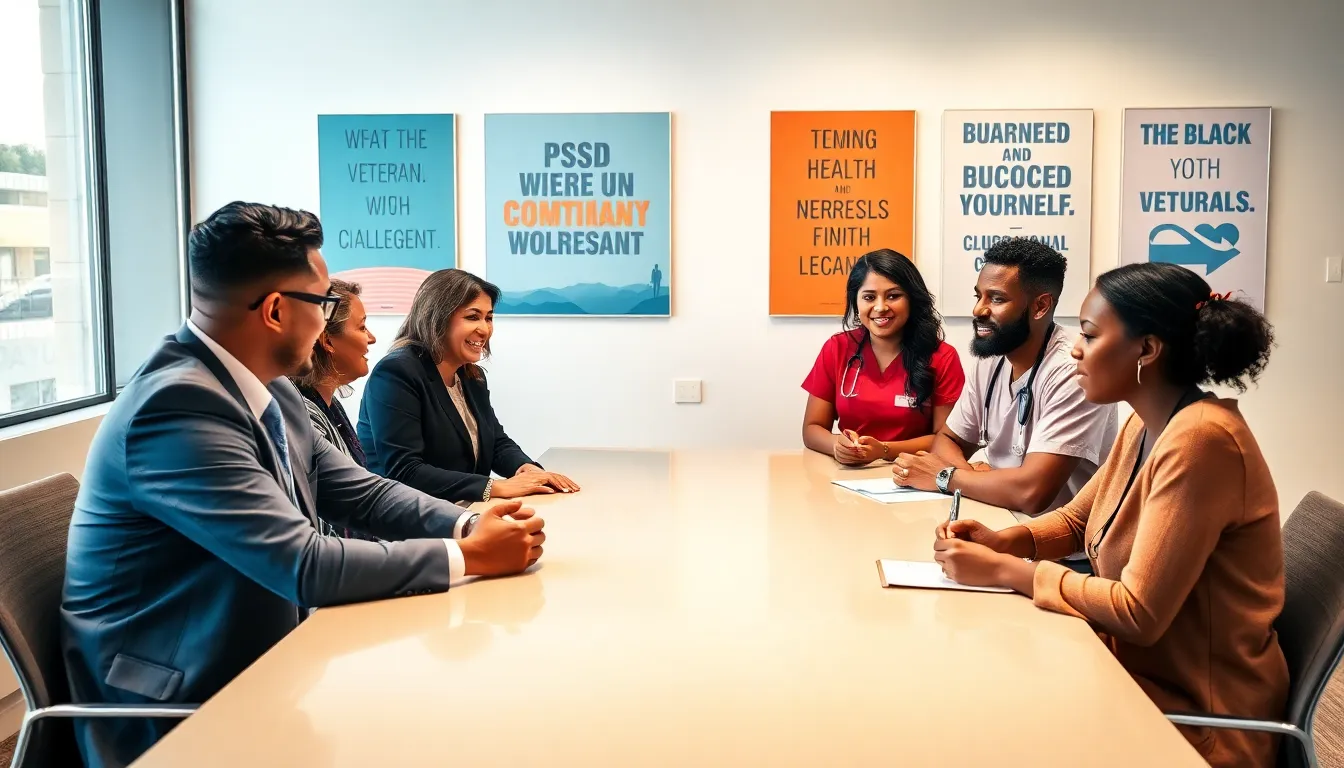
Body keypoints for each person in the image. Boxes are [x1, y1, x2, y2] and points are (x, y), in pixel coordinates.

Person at [61, 202, 546, 768]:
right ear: (274, 311)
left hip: (271, 658)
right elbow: (302, 564)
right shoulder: (175, 408)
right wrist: (468, 557)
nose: (325, 323)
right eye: (322, 305)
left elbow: (363, 492)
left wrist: (467, 521)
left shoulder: (273, 389)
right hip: (178, 705)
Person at [932, 262, 1286, 767]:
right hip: (1136, 675)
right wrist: (1002, 541)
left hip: (1201, 722)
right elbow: (1078, 521)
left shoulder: (1202, 441)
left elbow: (1137, 614)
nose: (1075, 348)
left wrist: (1011, 573)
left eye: (1092, 335)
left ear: (1147, 349)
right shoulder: (1146, 423)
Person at [893, 238, 1117, 518]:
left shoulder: (1075, 369)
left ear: (1040, 306)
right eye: (979, 296)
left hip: (1066, 549)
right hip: (1000, 517)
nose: (979, 310)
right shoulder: (992, 359)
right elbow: (947, 440)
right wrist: (968, 476)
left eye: (996, 299)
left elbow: (1032, 493)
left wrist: (945, 477)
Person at [357, 268, 579, 504]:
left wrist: (526, 469)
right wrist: (496, 487)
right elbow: (405, 471)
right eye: (473, 317)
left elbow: (495, 442)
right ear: (437, 317)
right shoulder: (396, 373)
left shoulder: (472, 377)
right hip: (408, 522)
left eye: (489, 317)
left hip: (461, 511)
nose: (484, 329)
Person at [801, 249, 965, 465]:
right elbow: (812, 428)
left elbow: (947, 440)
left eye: (893, 296)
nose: (880, 307)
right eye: (869, 297)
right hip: (848, 476)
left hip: (914, 476)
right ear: (856, 302)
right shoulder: (837, 348)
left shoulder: (942, 357)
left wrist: (883, 450)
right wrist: (838, 446)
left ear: (912, 300)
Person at [288, 277, 378, 539]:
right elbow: (325, 525)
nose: (371, 338)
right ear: (327, 341)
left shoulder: (329, 404)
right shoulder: (304, 413)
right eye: (362, 328)